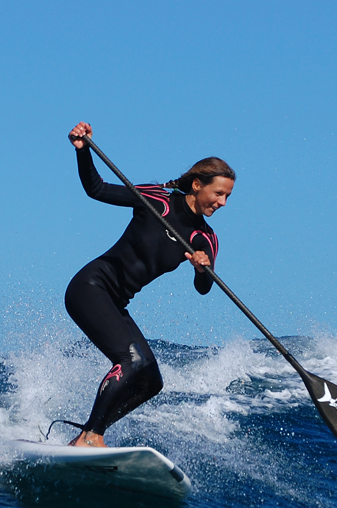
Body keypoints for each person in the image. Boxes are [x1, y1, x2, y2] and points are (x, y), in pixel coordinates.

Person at [64, 121, 235, 447]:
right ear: (198, 185)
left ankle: (87, 434)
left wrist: (202, 269)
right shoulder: (157, 200)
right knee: (131, 362)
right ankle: (94, 435)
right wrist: (83, 151)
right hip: (90, 287)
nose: (223, 202)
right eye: (219, 193)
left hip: (116, 302)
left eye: (227, 196)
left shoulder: (205, 238)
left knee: (150, 381)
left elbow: (204, 288)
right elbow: (96, 189)